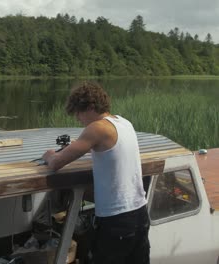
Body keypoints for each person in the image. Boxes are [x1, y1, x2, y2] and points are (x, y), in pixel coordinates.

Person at [42, 81, 150, 264]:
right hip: (140, 213)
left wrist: (49, 154)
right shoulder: (123, 123)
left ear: (91, 107)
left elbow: (56, 163)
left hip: (117, 220)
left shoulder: (97, 128)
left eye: (78, 112)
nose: (77, 117)